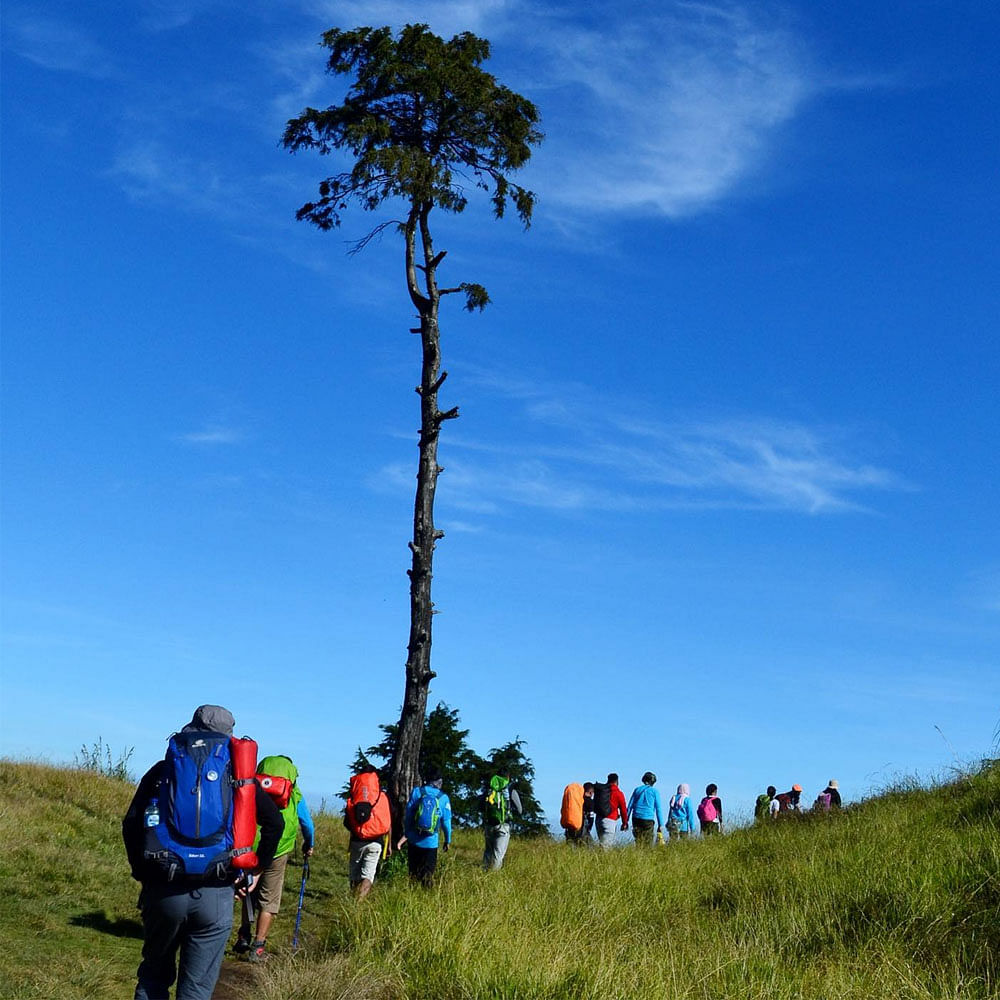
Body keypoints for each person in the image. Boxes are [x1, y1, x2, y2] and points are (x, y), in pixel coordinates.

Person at [122, 705, 283, 1000]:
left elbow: (131, 824)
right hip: (217, 893)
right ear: (228, 737)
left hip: (164, 889)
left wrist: (144, 875)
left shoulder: (163, 771)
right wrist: (254, 871)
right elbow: (275, 823)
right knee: (196, 990)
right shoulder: (239, 778)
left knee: (153, 980)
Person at [235, 754, 315, 963]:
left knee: (249, 889)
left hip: (251, 843)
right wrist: (309, 843)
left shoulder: (254, 786)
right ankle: (258, 947)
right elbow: (307, 824)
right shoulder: (294, 793)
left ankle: (244, 934)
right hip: (279, 849)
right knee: (269, 899)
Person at [344, 764, 393, 899]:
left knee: (354, 874)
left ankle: (353, 898)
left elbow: (348, 823)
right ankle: (359, 903)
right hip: (375, 842)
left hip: (356, 841)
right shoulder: (382, 797)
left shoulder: (354, 798)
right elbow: (387, 823)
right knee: (368, 875)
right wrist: (388, 846)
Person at [403, 768, 452, 886]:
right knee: (428, 875)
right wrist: (447, 840)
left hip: (414, 840)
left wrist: (408, 833)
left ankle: (412, 899)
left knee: (413, 874)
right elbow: (446, 823)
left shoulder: (416, 792)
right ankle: (427, 898)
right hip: (431, 842)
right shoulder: (443, 798)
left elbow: (408, 816)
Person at [482, 769, 522, 870]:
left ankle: (484, 873)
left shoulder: (490, 789)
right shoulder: (509, 790)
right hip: (503, 825)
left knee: (488, 851)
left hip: (489, 824)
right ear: (508, 777)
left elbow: (480, 805)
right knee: (498, 854)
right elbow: (520, 810)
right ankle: (493, 878)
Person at [627, 771, 664, 845]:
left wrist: (625, 820)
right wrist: (661, 824)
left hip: (636, 818)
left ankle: (638, 854)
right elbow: (658, 809)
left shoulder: (637, 790)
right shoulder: (655, 791)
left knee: (638, 840)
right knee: (648, 842)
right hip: (648, 819)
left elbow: (630, 806)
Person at [595, 773, 629, 848]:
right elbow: (623, 810)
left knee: (602, 844)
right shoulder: (618, 793)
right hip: (610, 821)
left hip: (598, 820)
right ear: (617, 781)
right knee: (606, 848)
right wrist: (625, 823)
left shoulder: (602, 791)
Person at [560, 781, 588, 846]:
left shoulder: (568, 798)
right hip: (578, 824)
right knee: (579, 843)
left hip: (567, 823)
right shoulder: (581, 799)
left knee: (570, 841)